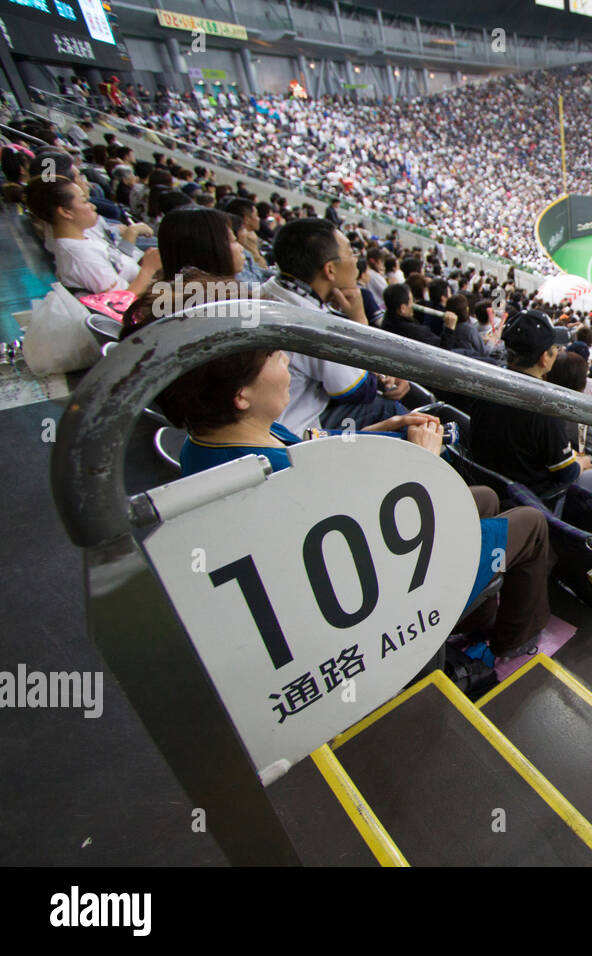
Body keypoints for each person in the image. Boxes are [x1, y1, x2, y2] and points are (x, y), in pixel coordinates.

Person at [134, 280, 551, 660]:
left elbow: (312, 455)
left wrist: (378, 430)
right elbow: (372, 537)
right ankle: (511, 648)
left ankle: (469, 622)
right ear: (241, 395)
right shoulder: (274, 474)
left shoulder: (221, 438)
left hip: (347, 562)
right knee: (530, 523)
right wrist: (424, 464)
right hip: (387, 587)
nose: (288, 366)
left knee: (485, 498)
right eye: (278, 355)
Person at [258, 218, 411, 433]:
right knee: (396, 413)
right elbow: (358, 390)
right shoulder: (312, 323)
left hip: (265, 425)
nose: (356, 261)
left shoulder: (270, 290)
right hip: (289, 435)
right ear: (330, 270)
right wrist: (360, 321)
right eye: (351, 253)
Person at [468, 309, 592, 507]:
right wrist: (580, 464)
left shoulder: (484, 383)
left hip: (491, 486)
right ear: (544, 358)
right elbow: (566, 473)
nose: (558, 351)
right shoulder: (545, 407)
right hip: (531, 500)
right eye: (555, 348)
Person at [27, 177, 160, 296]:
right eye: (85, 201)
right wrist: (148, 269)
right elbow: (119, 302)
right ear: (65, 212)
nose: (93, 206)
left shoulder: (81, 240)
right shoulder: (81, 256)